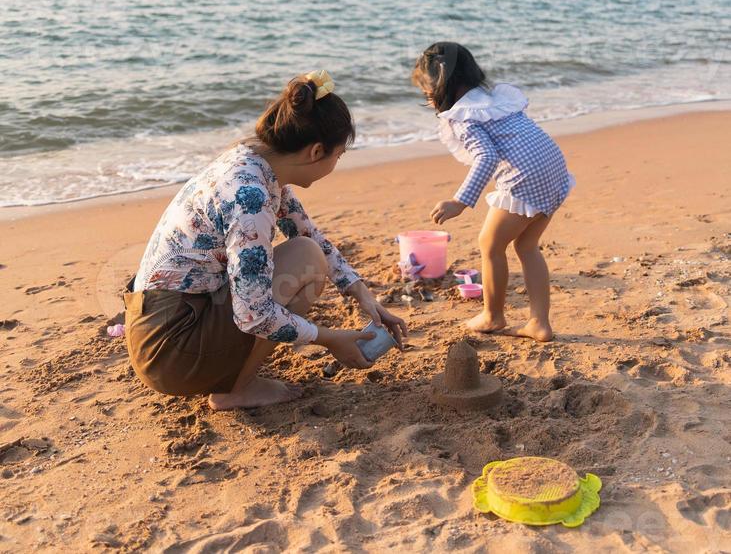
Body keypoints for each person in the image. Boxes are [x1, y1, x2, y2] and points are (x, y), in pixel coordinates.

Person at [124, 70, 407, 410]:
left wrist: (364, 295)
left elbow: (306, 231)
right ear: (317, 151)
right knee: (306, 259)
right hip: (171, 351)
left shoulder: (253, 160)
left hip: (161, 323)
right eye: (338, 155)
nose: (336, 163)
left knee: (308, 249)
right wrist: (330, 339)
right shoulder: (251, 197)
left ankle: (235, 376)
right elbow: (253, 315)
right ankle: (235, 390)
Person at [412, 43, 574, 342]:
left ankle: (493, 316)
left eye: (426, 91)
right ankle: (539, 322)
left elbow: (485, 157)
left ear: (440, 87)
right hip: (553, 170)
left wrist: (460, 201)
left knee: (489, 244)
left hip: (525, 178)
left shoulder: (463, 116)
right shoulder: (491, 99)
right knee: (527, 246)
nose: (427, 98)